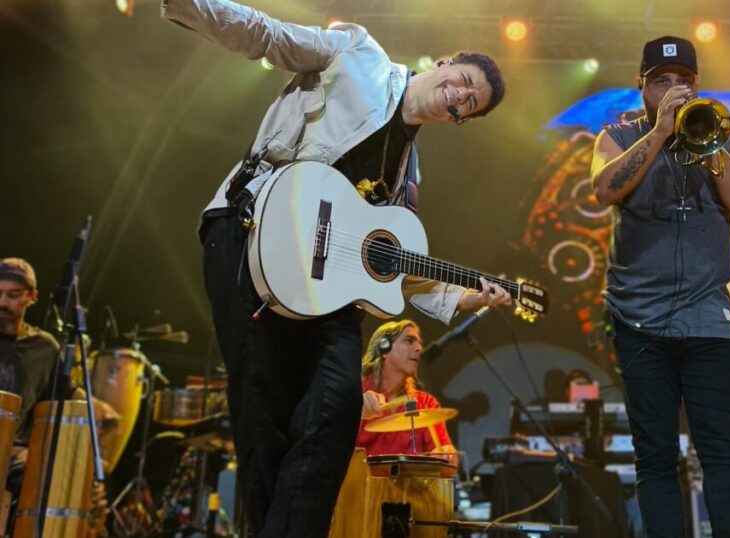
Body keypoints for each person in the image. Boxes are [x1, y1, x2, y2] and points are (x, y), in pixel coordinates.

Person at [161, 1, 511, 534]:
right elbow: (268, 35)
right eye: (465, 82)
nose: (461, 97)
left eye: (470, 105)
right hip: (252, 232)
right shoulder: (359, 54)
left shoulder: (408, 176)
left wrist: (465, 297)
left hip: (325, 288)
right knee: (262, 409)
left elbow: (390, 261)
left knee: (335, 409)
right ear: (445, 63)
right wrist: (192, 5)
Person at [589, 36, 730, 537]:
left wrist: (709, 147)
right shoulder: (616, 137)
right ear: (641, 86)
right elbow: (603, 190)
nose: (672, 88)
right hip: (638, 319)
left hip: (708, 319)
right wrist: (661, 131)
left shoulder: (729, 139)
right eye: (661, 81)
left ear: (697, 85)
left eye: (682, 80)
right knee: (656, 457)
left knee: (722, 453)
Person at [0, 258, 116, 534]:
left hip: (16, 455)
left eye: (13, 295)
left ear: (32, 297)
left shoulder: (44, 347)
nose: (2, 302)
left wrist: (98, 412)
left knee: (54, 477)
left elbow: (66, 395)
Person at [358, 320, 455, 459]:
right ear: (384, 348)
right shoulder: (354, 394)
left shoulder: (425, 403)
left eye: (419, 343)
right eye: (409, 341)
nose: (419, 348)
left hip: (409, 474)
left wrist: (447, 453)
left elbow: (446, 452)